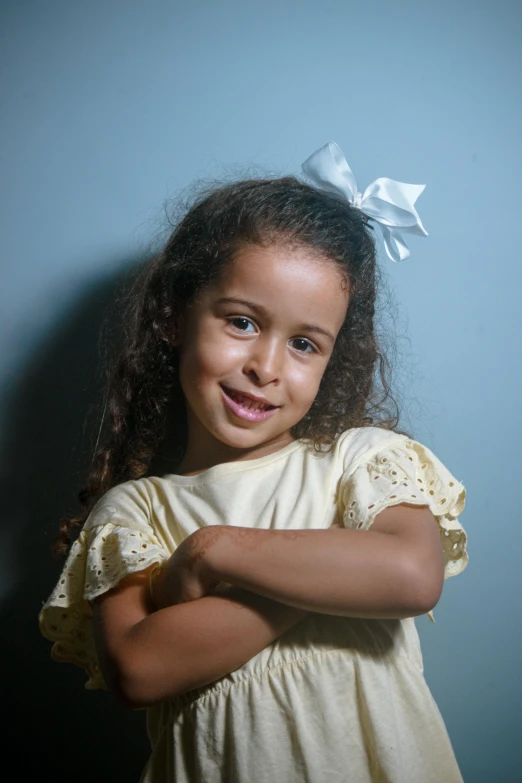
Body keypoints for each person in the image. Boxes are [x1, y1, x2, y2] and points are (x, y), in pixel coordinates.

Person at [39, 142, 468, 783]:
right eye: (241, 322)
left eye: (303, 343)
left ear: (332, 361)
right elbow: (139, 668)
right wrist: (336, 573)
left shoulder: (364, 460)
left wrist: (217, 552)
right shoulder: (135, 511)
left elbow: (409, 575)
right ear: (175, 317)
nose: (266, 368)